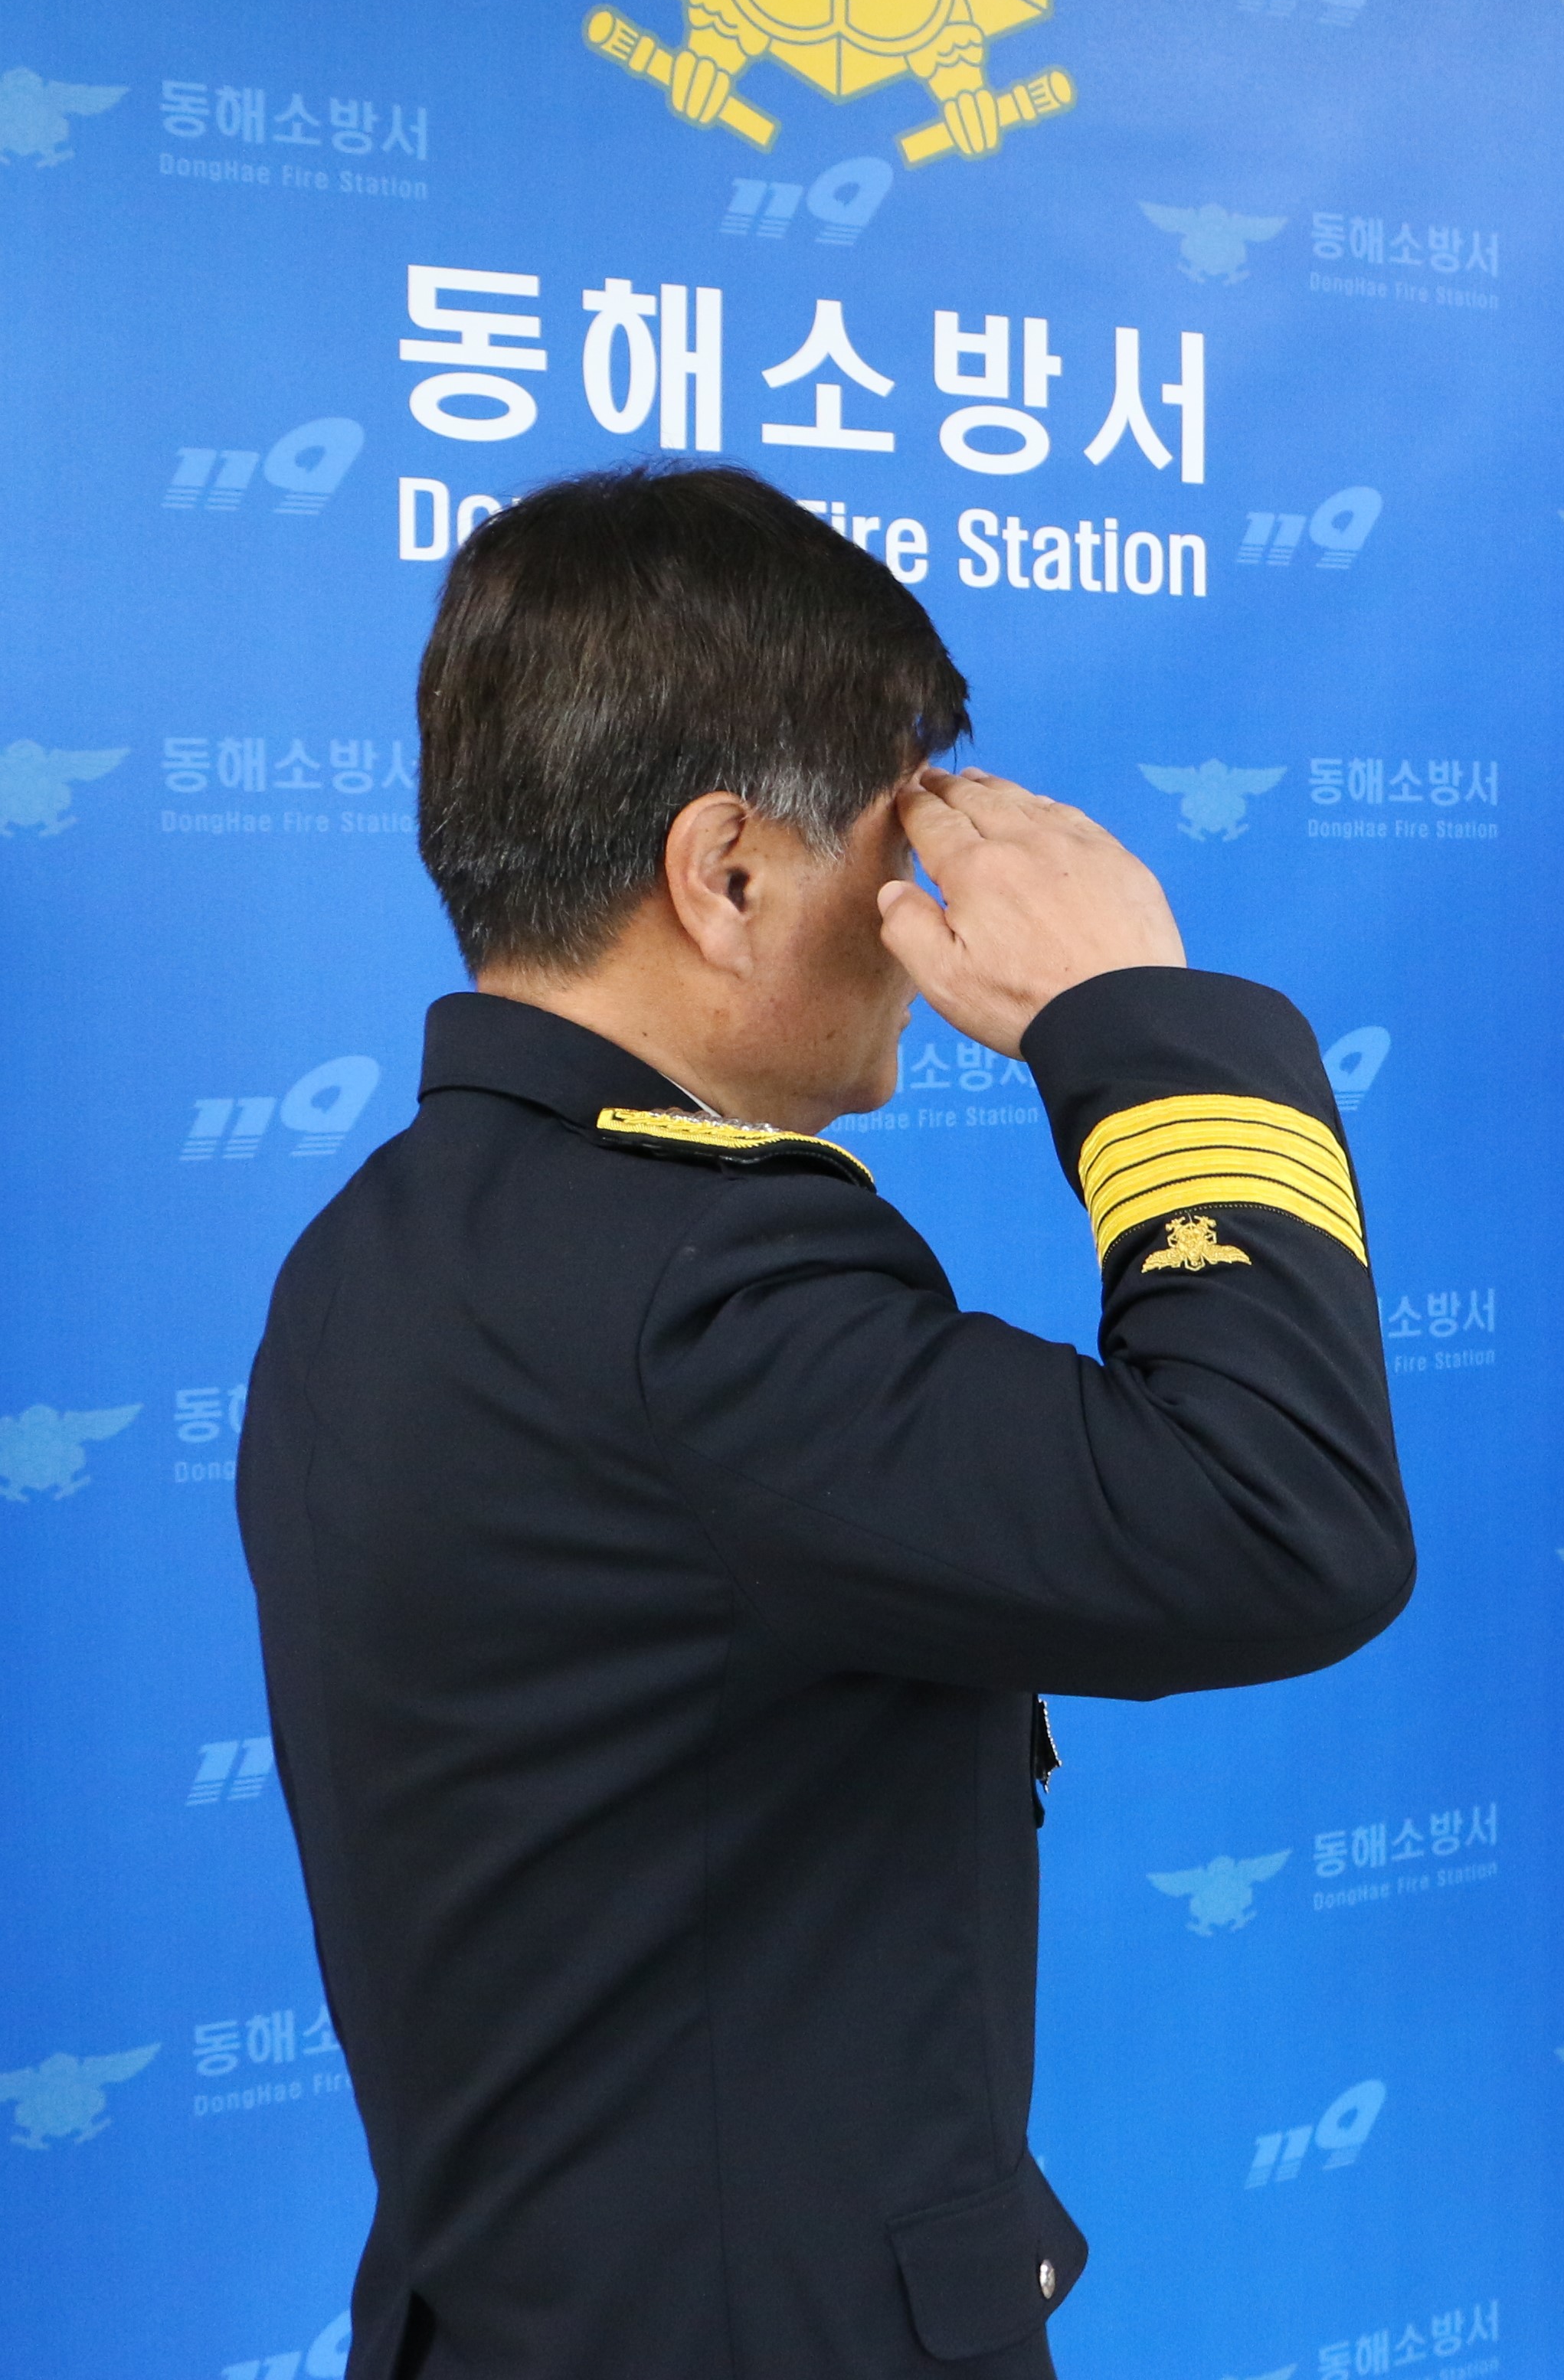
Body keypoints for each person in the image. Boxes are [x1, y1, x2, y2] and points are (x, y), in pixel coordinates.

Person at [238, 464, 1413, 2380]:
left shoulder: (383, 1239)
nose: (921, 917)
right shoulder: (698, 1284)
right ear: (725, 875)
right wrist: (1139, 1018)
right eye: (896, 846)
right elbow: (1282, 1521)